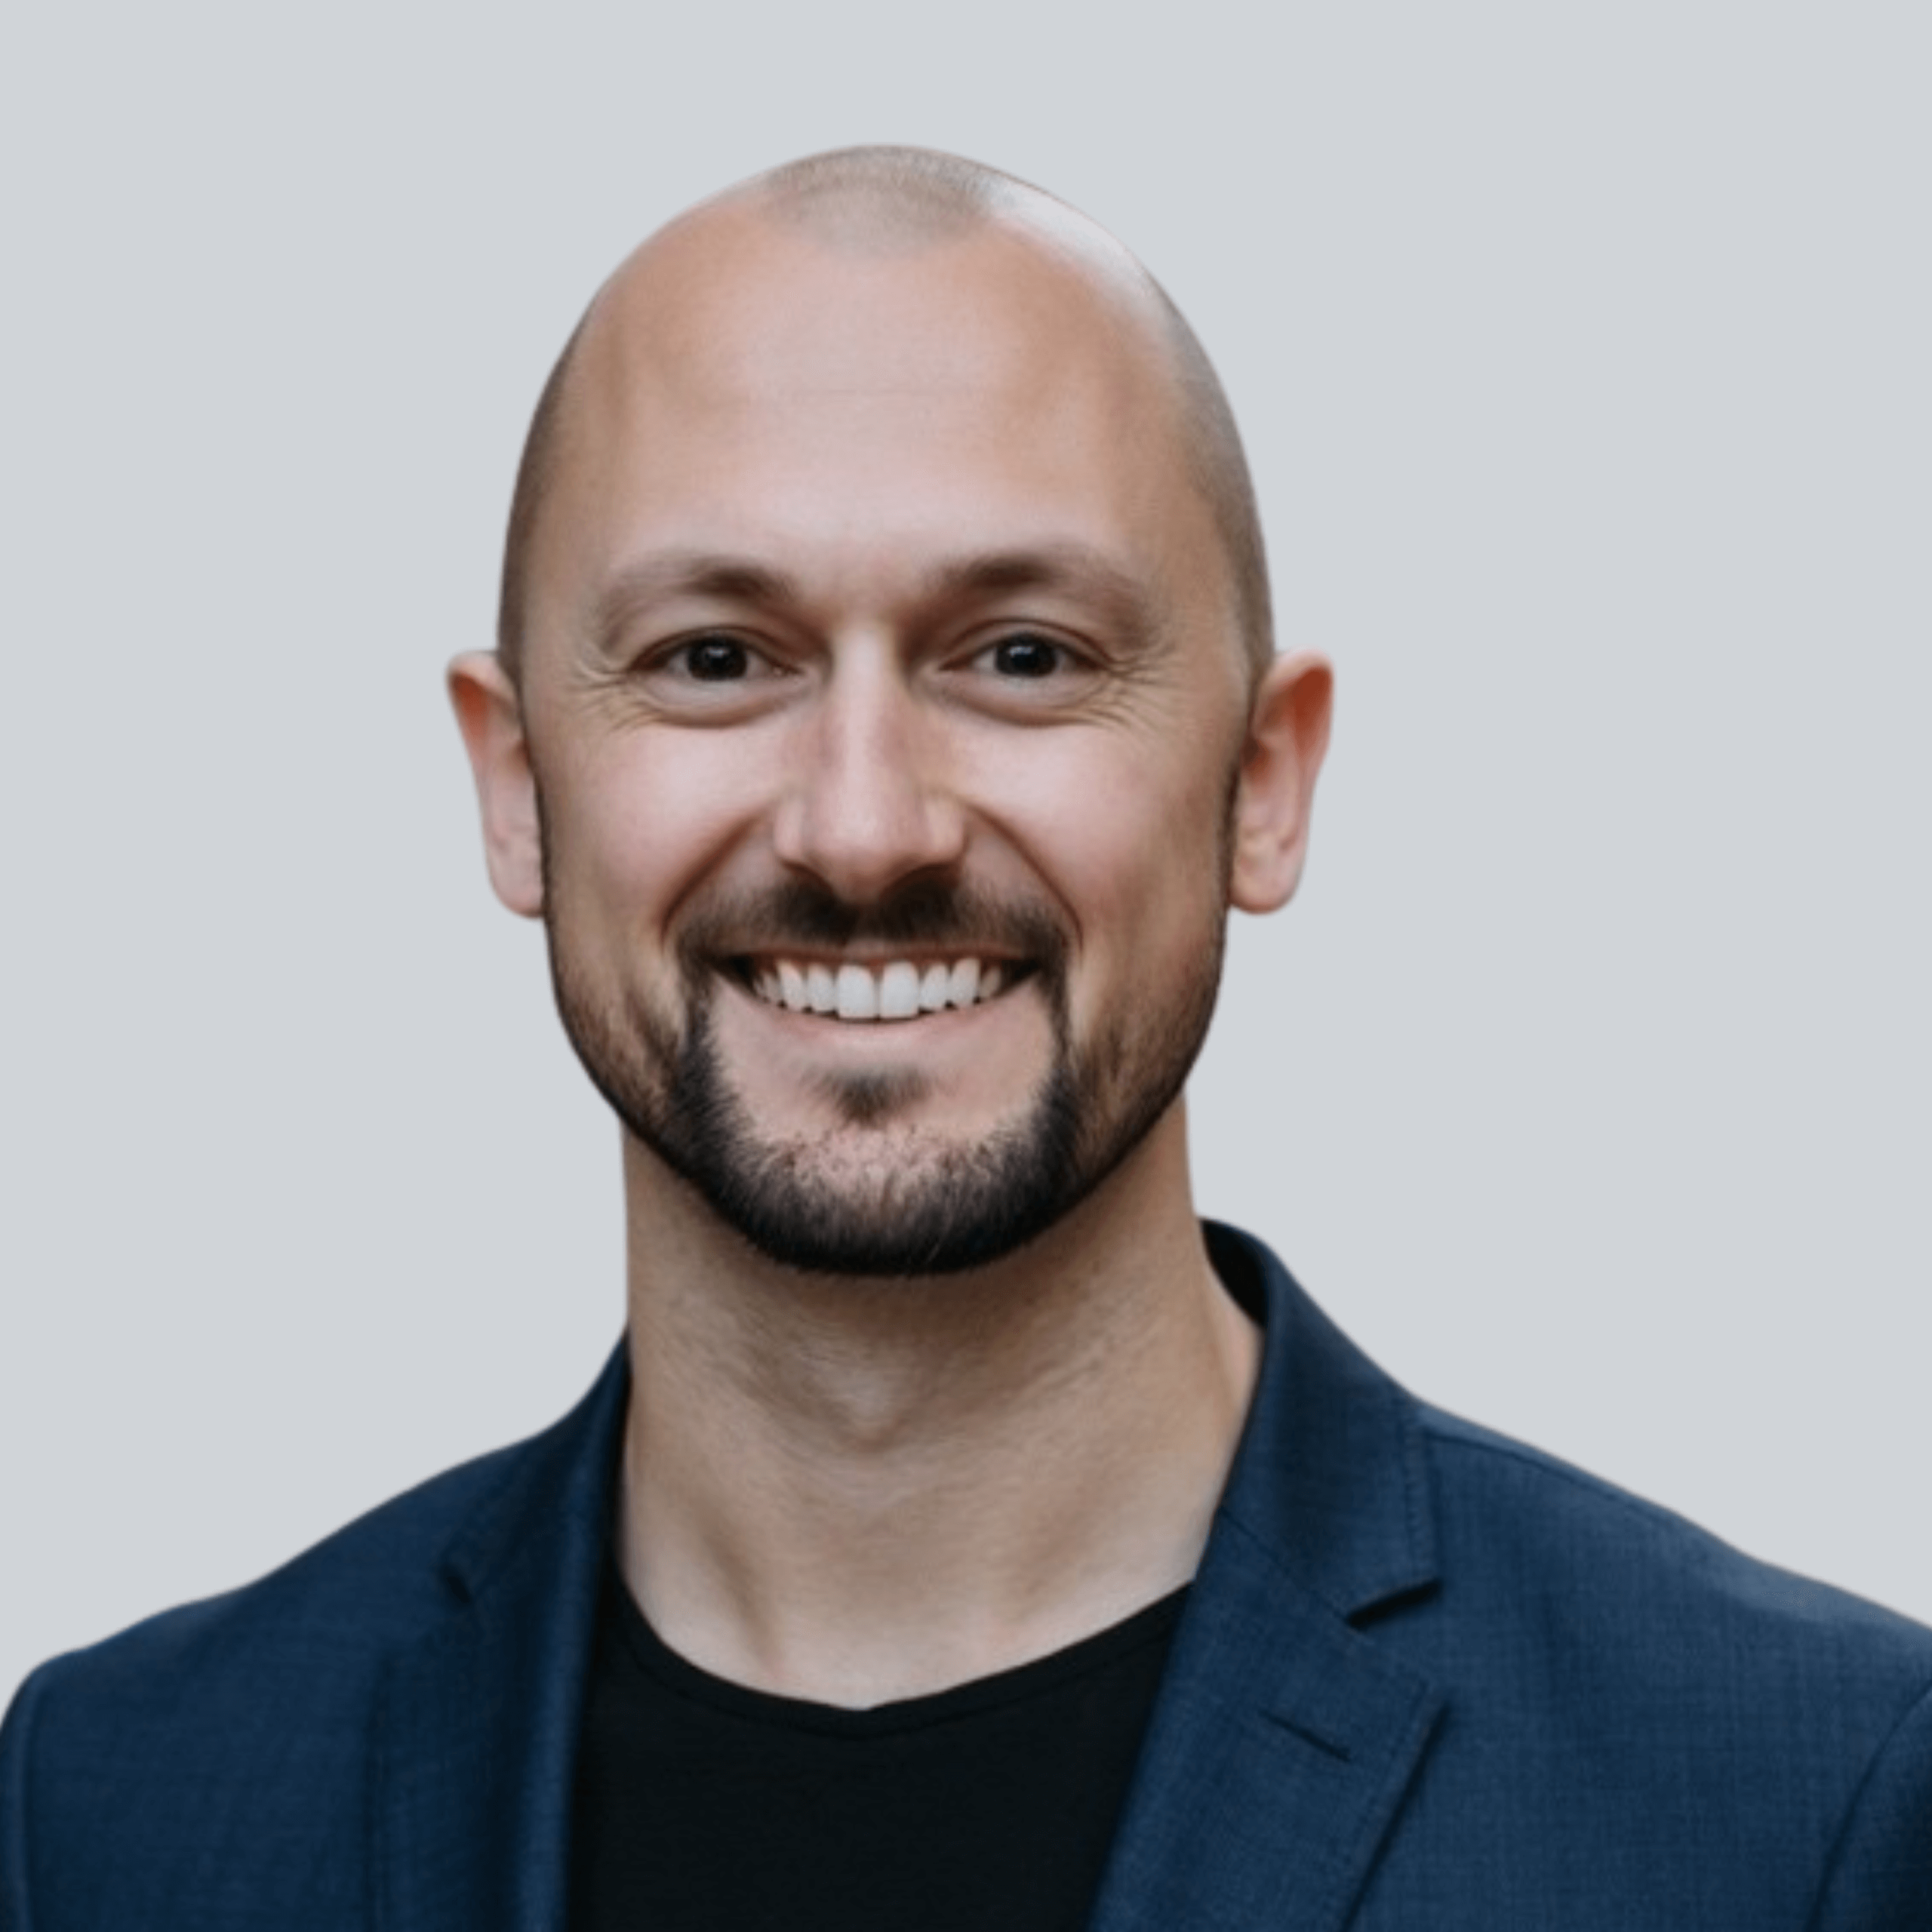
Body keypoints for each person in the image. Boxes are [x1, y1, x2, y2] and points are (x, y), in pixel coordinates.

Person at [3, 145, 1928, 1931]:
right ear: (515, 790)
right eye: (713, 657)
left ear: (1262, 782)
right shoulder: (117, 1808)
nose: (862, 823)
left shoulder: (1805, 1804)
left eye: (1020, 654)